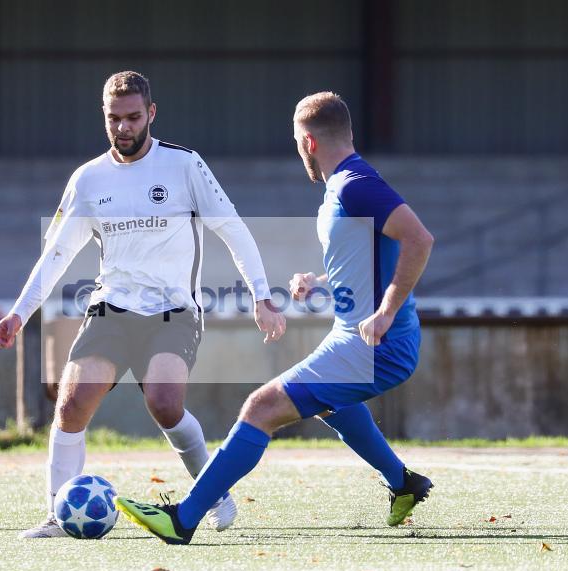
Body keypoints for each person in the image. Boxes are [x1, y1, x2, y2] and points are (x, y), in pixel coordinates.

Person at [115, 91, 435, 544]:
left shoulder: (354, 184)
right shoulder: (348, 184)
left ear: (308, 143)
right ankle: (403, 483)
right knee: (332, 404)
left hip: (376, 345)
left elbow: (419, 239)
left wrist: (386, 312)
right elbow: (370, 255)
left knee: (261, 407)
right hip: (356, 337)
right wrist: (319, 281)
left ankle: (183, 519)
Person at [0, 71, 286, 538]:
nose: (123, 127)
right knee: (71, 405)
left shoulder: (184, 165)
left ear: (151, 113)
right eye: (114, 118)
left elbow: (233, 229)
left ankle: (213, 493)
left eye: (132, 117)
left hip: (174, 311)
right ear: (104, 116)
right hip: (111, 309)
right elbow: (56, 255)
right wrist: (19, 312)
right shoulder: (88, 179)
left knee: (164, 404)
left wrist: (261, 296)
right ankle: (56, 514)